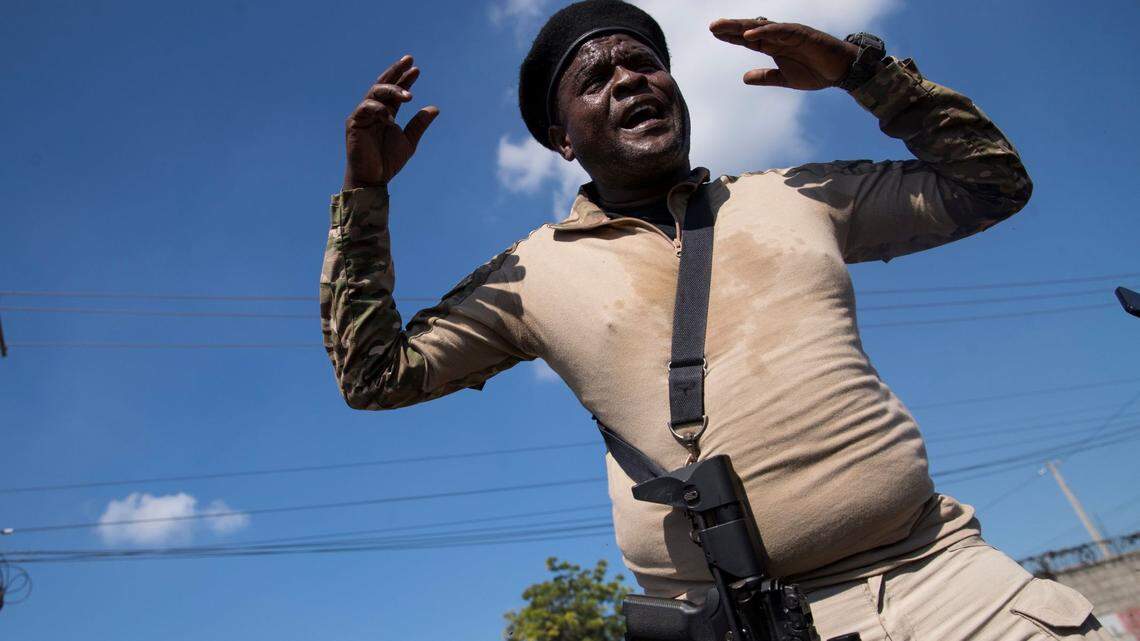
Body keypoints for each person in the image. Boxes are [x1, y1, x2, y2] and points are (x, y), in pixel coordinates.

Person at [320, 1, 1107, 638]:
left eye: (644, 63)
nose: (630, 80)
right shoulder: (532, 273)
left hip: (944, 580)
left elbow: (993, 183)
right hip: (746, 625)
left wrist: (860, 72)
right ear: (561, 139)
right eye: (595, 78)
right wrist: (365, 196)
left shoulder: (796, 195)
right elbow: (372, 374)